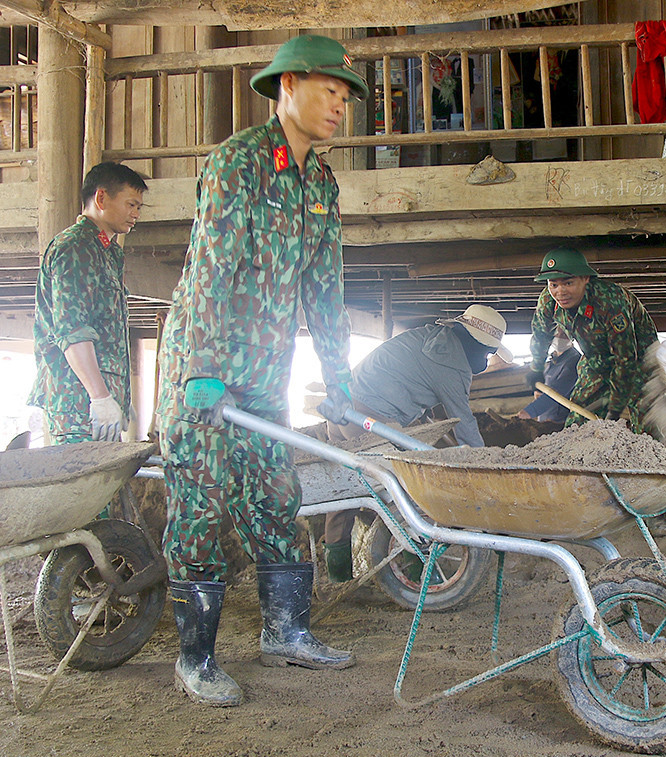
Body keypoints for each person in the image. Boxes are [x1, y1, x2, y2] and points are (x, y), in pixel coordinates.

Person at [154, 35, 369, 707]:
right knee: (200, 507)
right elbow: (210, 274)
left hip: (264, 377)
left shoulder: (321, 183)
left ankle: (286, 631)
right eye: (328, 91)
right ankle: (196, 658)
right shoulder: (238, 164)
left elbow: (325, 294)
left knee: (276, 499)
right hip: (204, 375)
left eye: (344, 96)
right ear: (288, 86)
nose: (339, 105)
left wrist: (340, 382)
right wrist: (202, 367)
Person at [321, 304, 510, 581]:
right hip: (369, 418)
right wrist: (485, 467)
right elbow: (465, 426)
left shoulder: (429, 336)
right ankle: (416, 569)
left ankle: (337, 576)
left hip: (342, 409)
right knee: (405, 488)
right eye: (488, 352)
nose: (487, 358)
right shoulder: (454, 362)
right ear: (477, 344)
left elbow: (416, 383)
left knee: (347, 489)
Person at [30, 162, 146, 445]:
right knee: (81, 487)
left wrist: (116, 393)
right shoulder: (76, 247)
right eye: (131, 204)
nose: (136, 214)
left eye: (139, 208)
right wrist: (100, 396)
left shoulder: (107, 252)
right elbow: (73, 332)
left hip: (97, 407)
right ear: (101, 198)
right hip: (79, 406)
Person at [527, 248, 657, 432]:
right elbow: (541, 334)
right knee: (578, 422)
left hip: (639, 359)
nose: (560, 292)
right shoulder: (548, 301)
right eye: (553, 284)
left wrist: (615, 408)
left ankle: (652, 456)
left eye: (568, 283)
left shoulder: (610, 301)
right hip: (595, 356)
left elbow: (626, 358)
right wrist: (537, 368)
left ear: (585, 279)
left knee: (645, 420)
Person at [518, 326, 581, 423]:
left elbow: (557, 392)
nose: (559, 337)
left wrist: (529, 412)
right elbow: (548, 387)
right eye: (556, 333)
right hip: (546, 420)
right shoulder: (552, 360)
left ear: (571, 335)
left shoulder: (574, 361)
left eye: (564, 334)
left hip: (559, 424)